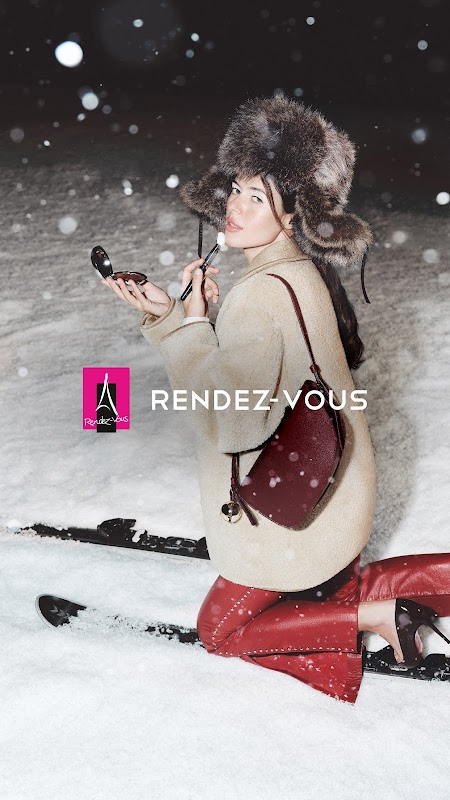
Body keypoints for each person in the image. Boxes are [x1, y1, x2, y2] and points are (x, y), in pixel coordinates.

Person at [101, 95, 450, 703]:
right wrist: (186, 317)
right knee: (326, 584)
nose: (234, 207)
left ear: (293, 215)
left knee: (221, 630)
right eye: (236, 189)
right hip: (333, 494)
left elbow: (232, 424)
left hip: (293, 513)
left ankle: (373, 617)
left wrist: (181, 328)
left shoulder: (259, 296)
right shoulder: (298, 272)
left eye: (257, 198)